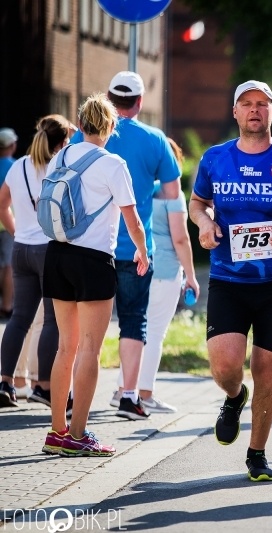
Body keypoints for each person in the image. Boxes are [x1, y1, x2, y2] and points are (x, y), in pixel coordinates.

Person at [189, 80, 272, 482]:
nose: (254, 110)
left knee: (267, 369)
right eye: (246, 103)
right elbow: (197, 203)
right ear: (235, 112)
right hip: (229, 278)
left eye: (262, 104)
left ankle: (257, 454)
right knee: (225, 367)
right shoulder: (215, 158)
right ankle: (234, 397)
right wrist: (204, 223)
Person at [42, 93, 149, 457]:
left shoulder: (61, 156)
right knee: (90, 348)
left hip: (56, 254)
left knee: (65, 347)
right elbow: (132, 219)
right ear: (111, 126)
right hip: (93, 259)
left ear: (81, 123)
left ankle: (57, 431)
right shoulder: (113, 164)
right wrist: (142, 250)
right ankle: (78, 435)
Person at [71, 72, 181, 420]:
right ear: (140, 101)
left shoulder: (82, 136)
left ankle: (72, 395)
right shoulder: (156, 139)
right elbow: (173, 193)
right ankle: (129, 397)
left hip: (88, 246)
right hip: (135, 247)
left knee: (83, 324)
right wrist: (145, 188)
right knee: (133, 320)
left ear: (107, 97)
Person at [110, 138, 199, 414]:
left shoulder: (143, 189)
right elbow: (181, 238)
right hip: (166, 269)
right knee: (153, 333)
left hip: (138, 262)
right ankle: (144, 394)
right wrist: (191, 276)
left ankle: (122, 389)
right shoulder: (174, 195)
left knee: (135, 329)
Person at [0, 115, 73, 409]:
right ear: (62, 143)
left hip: (21, 249)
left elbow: (2, 204)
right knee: (52, 320)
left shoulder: (17, 166)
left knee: (19, 318)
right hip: (48, 250)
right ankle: (44, 387)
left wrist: (17, 231)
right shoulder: (59, 167)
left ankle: (5, 382)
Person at [0, 127, 19, 319]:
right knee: (8, 265)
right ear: (12, 145)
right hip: (7, 222)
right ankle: (6, 305)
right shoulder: (15, 167)